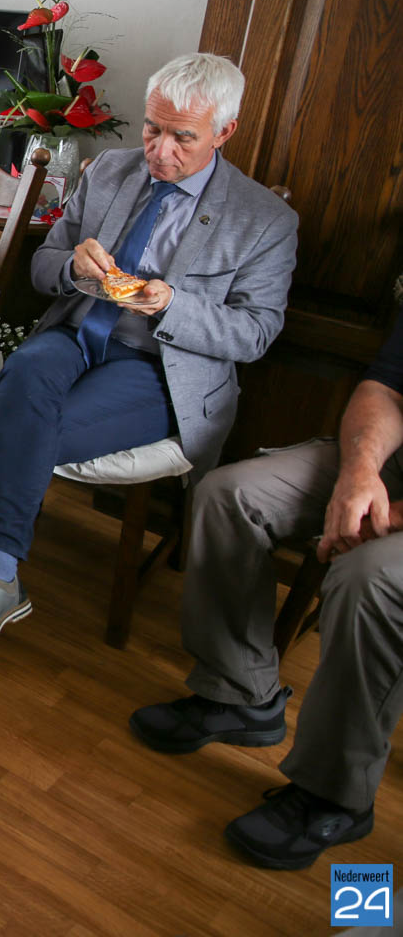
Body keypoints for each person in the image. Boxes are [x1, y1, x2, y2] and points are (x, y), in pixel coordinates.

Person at [0, 52, 298, 682]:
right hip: (74, 335)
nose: (160, 151)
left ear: (224, 132)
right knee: (28, 375)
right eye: (152, 128)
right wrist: (72, 267)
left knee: (19, 424)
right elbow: (42, 269)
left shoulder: (264, 219)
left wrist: (173, 305)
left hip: (160, 367)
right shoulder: (110, 171)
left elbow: (255, 334)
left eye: (182, 137)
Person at [128, 315, 403, 869]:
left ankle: (336, 794)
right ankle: (240, 693)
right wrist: (359, 475)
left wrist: (388, 517)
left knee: (368, 577)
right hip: (393, 463)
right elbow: (386, 387)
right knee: (227, 494)